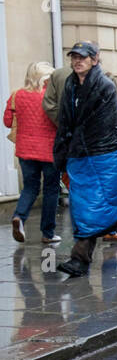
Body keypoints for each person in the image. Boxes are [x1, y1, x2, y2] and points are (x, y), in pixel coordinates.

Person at [52, 41, 117, 275]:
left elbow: (99, 123)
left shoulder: (104, 85)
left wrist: (73, 145)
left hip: (107, 156)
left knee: (97, 207)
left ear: (94, 59)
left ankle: (80, 259)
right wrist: (62, 150)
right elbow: (66, 119)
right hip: (83, 156)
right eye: (74, 57)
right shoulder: (70, 85)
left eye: (83, 57)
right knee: (99, 207)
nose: (77, 61)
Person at [7, 61, 61, 244]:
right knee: (51, 190)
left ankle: (19, 217)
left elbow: (7, 121)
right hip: (50, 151)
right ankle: (48, 233)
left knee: (30, 187)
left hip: (25, 150)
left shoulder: (17, 95)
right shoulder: (51, 97)